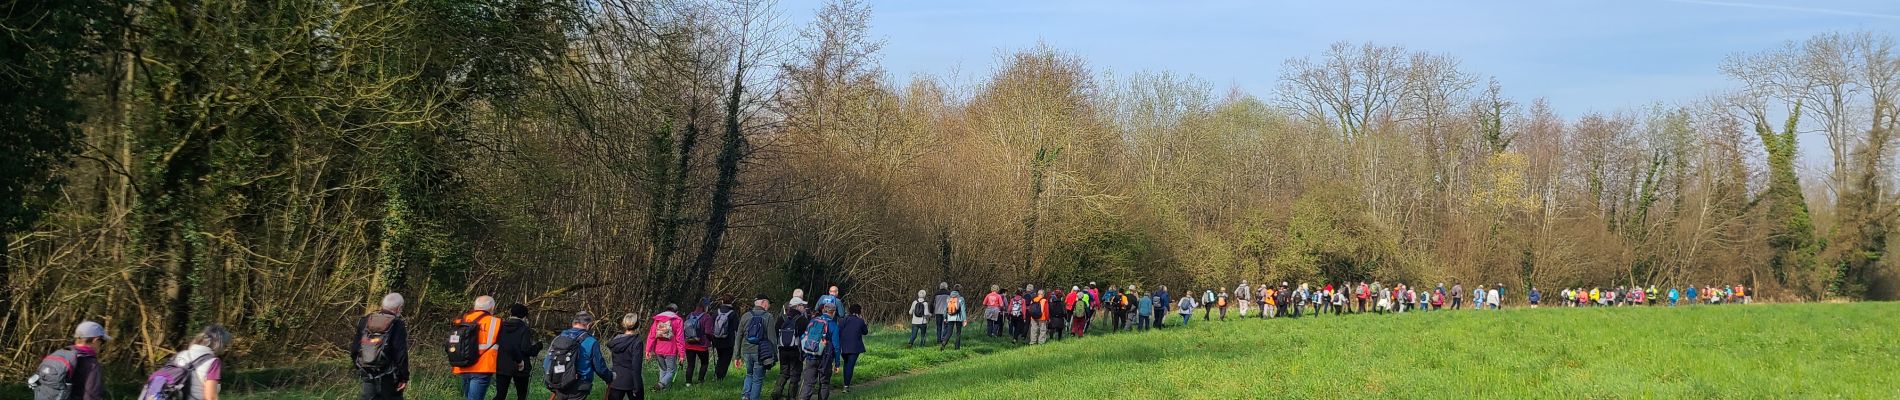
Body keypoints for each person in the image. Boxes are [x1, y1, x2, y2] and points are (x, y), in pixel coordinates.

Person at [35, 320, 110, 400]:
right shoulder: (91, 364)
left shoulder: (60, 355)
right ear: (95, 340)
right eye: (102, 342)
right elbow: (92, 396)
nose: (101, 346)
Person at [353, 294, 409, 400]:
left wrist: (361, 369)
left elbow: (355, 349)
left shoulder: (366, 320)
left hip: (367, 375)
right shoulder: (397, 324)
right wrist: (404, 377)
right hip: (390, 377)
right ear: (399, 308)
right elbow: (400, 354)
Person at [546, 312, 612, 400]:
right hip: (579, 385)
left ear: (573, 323)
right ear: (588, 325)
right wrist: (610, 377)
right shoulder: (591, 341)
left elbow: (547, 362)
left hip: (559, 383)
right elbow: (599, 367)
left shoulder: (558, 338)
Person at [453, 296, 502, 400]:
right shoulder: (496, 322)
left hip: (463, 365)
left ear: (475, 306)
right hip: (482, 367)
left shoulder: (462, 319)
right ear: (492, 308)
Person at [168, 325, 231, 400]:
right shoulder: (213, 362)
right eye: (225, 345)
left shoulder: (180, 355)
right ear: (218, 344)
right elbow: (210, 397)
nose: (224, 349)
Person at [494, 303, 542, 400]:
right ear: (524, 316)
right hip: (521, 366)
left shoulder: (500, 326)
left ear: (511, 313)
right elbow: (526, 349)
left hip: (502, 365)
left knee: (500, 395)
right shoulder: (524, 329)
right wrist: (538, 346)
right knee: (521, 395)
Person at [737, 295, 777, 400]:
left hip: (746, 351)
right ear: (763, 302)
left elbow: (738, 336)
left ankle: (745, 396)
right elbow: (772, 338)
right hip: (760, 352)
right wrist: (774, 356)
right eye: (768, 303)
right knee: (758, 379)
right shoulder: (768, 317)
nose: (769, 306)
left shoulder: (745, 316)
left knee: (749, 374)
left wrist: (736, 355)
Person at [798, 303, 841, 400]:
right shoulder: (833, 325)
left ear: (823, 310)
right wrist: (837, 363)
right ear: (833, 312)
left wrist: (804, 354)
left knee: (808, 383)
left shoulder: (813, 321)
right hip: (825, 358)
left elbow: (804, 337)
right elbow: (837, 346)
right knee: (824, 384)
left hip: (811, 355)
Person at [774, 297, 811, 400]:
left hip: (782, 350)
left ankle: (776, 392)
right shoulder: (802, 320)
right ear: (798, 306)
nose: (804, 308)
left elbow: (776, 332)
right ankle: (791, 396)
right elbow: (807, 336)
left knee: (783, 373)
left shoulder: (782, 318)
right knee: (795, 375)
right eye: (803, 306)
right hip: (796, 351)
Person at [645, 304, 686, 391]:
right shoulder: (678, 320)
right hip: (671, 350)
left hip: (658, 349)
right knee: (671, 371)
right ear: (676, 312)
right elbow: (680, 339)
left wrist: (648, 350)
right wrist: (682, 354)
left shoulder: (658, 319)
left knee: (663, 370)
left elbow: (651, 335)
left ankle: (661, 390)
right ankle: (661, 384)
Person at [606, 314, 646, 400]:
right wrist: (637, 386)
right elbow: (636, 366)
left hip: (616, 379)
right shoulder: (637, 342)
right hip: (630, 380)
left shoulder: (616, 340)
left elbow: (612, 361)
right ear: (637, 324)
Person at [838, 304, 870, 392]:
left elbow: (839, 332)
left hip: (844, 347)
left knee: (846, 364)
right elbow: (865, 332)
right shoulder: (860, 321)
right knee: (850, 366)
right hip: (855, 347)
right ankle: (846, 386)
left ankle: (845, 384)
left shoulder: (843, 320)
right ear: (859, 311)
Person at [682, 302, 712, 385]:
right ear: (704, 308)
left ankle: (688, 383)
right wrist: (711, 339)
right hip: (702, 345)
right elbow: (708, 332)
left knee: (690, 364)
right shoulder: (707, 317)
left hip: (689, 344)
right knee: (704, 363)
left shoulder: (689, 315)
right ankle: (700, 381)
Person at [711, 296, 740, 381]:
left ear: (722, 301)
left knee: (720, 358)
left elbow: (711, 325)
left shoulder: (716, 312)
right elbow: (737, 327)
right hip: (728, 341)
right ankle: (720, 377)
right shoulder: (733, 313)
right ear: (732, 302)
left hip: (717, 340)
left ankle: (716, 375)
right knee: (726, 360)